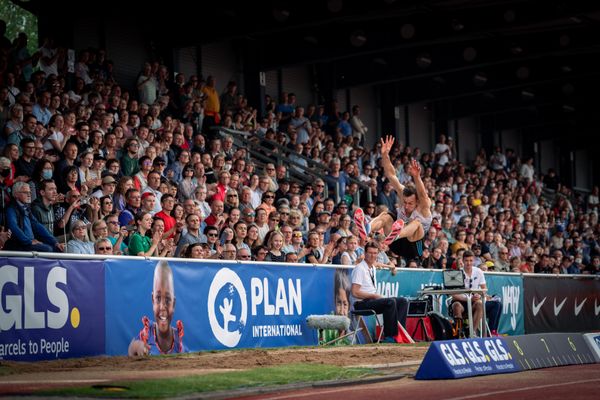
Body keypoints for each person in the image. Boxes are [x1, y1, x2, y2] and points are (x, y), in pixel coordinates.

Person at [354, 136, 432, 262]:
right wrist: (385, 155)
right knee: (386, 215)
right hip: (394, 243)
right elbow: (391, 174)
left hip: (414, 248)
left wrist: (417, 177)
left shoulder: (424, 206)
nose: (406, 206)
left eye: (410, 204)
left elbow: (422, 194)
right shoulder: (403, 193)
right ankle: (367, 228)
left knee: (417, 223)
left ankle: (396, 234)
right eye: (405, 203)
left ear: (417, 202)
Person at [351, 242, 408, 343]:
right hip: (361, 304)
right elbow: (355, 292)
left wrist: (392, 266)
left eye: (375, 253)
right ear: (365, 253)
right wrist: (373, 295)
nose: (373, 255)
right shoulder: (360, 269)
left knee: (403, 301)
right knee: (390, 302)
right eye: (370, 253)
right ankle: (389, 337)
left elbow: (377, 263)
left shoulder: (372, 267)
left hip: (371, 301)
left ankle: (398, 334)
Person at [128, 260, 185, 355]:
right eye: (158, 298)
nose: (162, 307)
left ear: (174, 304)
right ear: (152, 300)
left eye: (167, 299)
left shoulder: (178, 340)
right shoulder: (145, 336)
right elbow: (132, 349)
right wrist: (135, 348)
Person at [4, 182, 64, 252]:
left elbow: (38, 226)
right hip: (18, 245)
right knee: (48, 249)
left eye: (29, 192)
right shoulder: (11, 208)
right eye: (25, 192)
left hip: (28, 243)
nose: (29, 195)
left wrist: (55, 242)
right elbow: (13, 227)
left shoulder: (27, 208)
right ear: (16, 194)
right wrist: (29, 241)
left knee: (57, 248)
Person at [450, 250, 487, 336]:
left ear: (473, 260)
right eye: (466, 261)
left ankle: (472, 332)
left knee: (480, 304)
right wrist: (467, 298)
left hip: (473, 302)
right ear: (462, 261)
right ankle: (459, 332)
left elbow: (484, 289)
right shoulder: (457, 273)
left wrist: (479, 294)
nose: (469, 263)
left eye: (471, 260)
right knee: (456, 305)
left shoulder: (479, 271)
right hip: (461, 301)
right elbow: (453, 294)